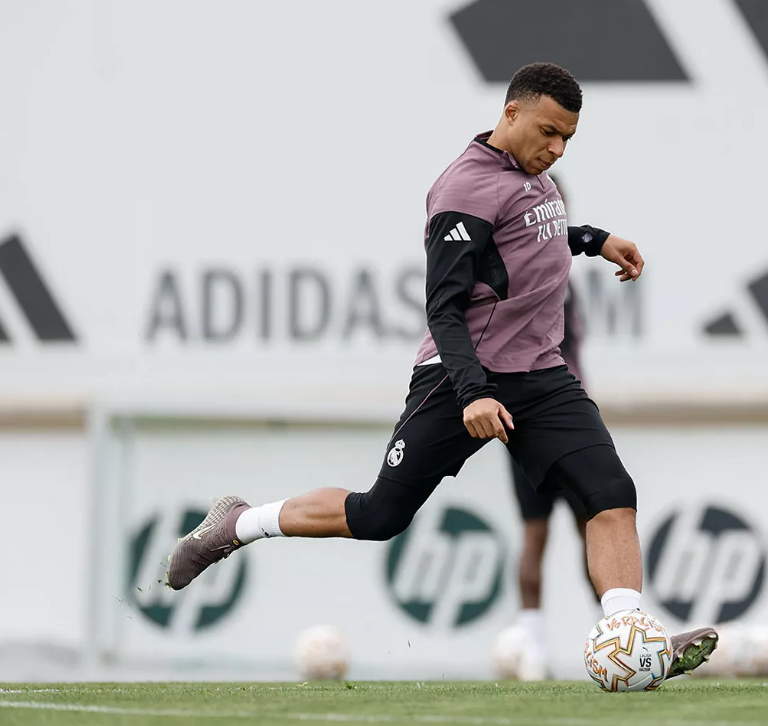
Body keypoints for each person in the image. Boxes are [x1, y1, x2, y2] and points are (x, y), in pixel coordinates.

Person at [167, 62, 718, 679]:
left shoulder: (535, 172)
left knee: (613, 495)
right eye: (548, 132)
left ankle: (633, 639)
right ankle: (237, 523)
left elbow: (535, 238)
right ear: (510, 114)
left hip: (542, 375)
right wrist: (473, 393)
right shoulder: (463, 189)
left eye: (567, 138)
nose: (556, 148)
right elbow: (444, 308)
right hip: (460, 376)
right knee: (379, 516)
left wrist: (595, 239)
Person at [502, 175, 597, 681]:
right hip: (552, 416)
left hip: (535, 418)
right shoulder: (539, 275)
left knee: (580, 530)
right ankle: (540, 643)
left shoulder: (548, 273)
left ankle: (602, 633)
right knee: (561, 531)